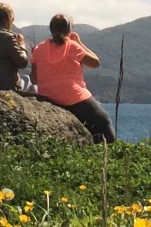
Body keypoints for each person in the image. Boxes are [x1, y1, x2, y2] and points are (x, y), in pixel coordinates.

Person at [29, 13, 117, 143]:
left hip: (48, 97)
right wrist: (79, 42)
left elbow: (34, 80)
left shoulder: (38, 48)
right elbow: (95, 62)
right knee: (103, 122)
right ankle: (107, 152)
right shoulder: (72, 46)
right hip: (74, 97)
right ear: (69, 30)